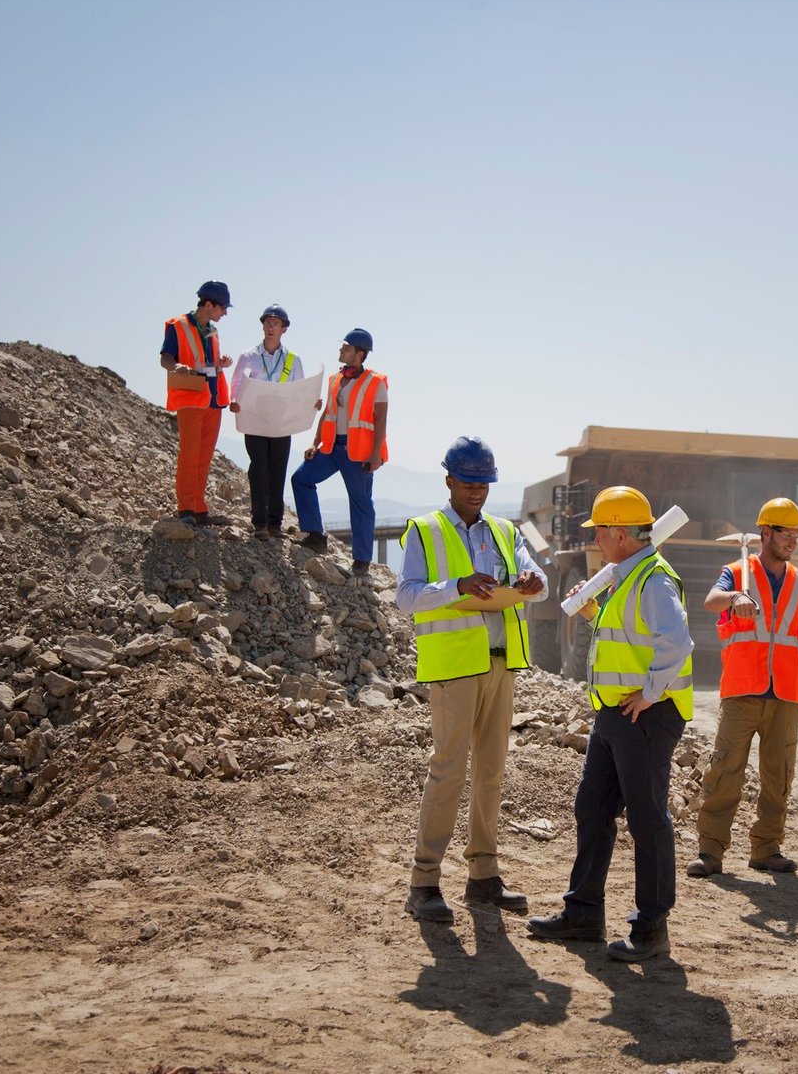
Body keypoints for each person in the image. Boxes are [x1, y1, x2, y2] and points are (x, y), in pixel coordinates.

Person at [527, 486, 694, 962]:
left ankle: (652, 927)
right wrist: (592, 612)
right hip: (614, 713)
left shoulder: (653, 579)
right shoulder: (627, 576)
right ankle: (583, 913)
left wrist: (651, 692)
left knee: (648, 818)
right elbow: (627, 637)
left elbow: (677, 642)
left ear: (620, 533)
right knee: (592, 809)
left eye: (599, 530)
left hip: (645, 716)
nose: (595, 538)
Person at [399, 437, 548, 924]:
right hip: (454, 670)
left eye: (485, 484)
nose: (478, 492)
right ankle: (424, 883)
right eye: (469, 483)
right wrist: (456, 587)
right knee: (448, 771)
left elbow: (537, 581)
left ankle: (484, 876)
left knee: (490, 772)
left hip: (500, 665)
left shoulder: (505, 531)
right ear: (449, 481)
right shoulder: (425, 530)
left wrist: (531, 585)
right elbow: (406, 597)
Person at [686, 497, 798, 878]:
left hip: (787, 694)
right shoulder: (736, 572)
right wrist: (736, 597)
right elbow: (712, 601)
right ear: (765, 533)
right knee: (724, 772)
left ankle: (767, 848)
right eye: (786, 533)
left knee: (778, 776)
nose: (793, 540)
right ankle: (710, 852)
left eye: (797, 534)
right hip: (742, 691)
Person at [290, 328, 388, 574]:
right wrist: (315, 442)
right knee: (301, 479)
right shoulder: (335, 379)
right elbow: (328, 413)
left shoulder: (375, 382)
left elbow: (381, 420)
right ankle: (315, 535)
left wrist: (376, 453)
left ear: (360, 353)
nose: (341, 351)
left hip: (359, 453)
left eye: (346, 347)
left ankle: (362, 561)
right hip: (332, 447)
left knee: (361, 504)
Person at [159, 280, 235, 526]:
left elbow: (206, 363)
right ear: (209, 305)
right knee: (190, 454)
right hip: (191, 398)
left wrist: (220, 363)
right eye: (222, 308)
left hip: (213, 400)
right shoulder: (178, 325)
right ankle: (186, 508)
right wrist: (176, 366)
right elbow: (165, 358)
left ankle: (199, 508)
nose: (224, 313)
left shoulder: (212, 331)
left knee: (204, 456)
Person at [227, 304, 305, 541]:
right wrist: (234, 402)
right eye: (267, 322)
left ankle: (274, 524)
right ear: (262, 326)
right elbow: (236, 386)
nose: (270, 327)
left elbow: (299, 390)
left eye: (276, 323)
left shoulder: (293, 359)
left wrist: (311, 402)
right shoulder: (249, 356)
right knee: (259, 468)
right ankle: (259, 522)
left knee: (277, 471)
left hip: (281, 424)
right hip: (254, 421)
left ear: (284, 329)